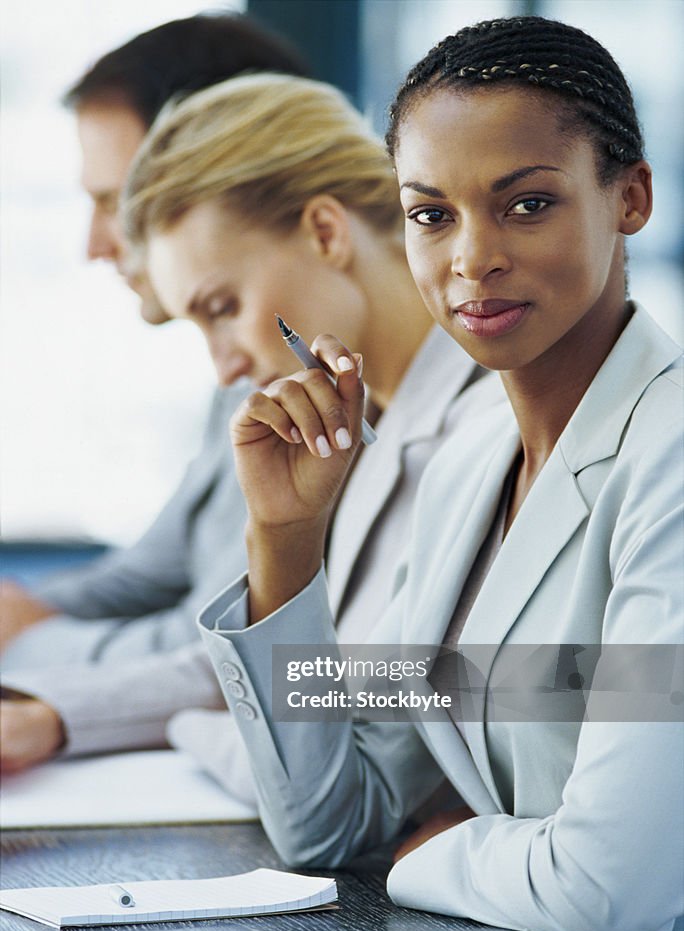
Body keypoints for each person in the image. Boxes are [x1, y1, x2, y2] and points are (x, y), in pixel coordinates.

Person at [193, 17, 684, 931]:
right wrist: (286, 541)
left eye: (528, 205)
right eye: (432, 214)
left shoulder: (670, 457)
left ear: (630, 198)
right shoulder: (469, 465)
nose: (472, 259)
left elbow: (609, 885)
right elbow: (331, 824)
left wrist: (426, 857)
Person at [119, 71, 502, 793]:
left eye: (223, 306)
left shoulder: (492, 431)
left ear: (326, 231)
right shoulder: (361, 431)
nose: (224, 364)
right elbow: (318, 701)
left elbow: (327, 785)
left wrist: (201, 731)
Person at [0, 13, 308, 773]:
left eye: (115, 201)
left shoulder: (317, 387)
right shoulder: (248, 356)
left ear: (212, 164)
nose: (96, 244)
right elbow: (154, 571)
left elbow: (226, 653)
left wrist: (30, 644)